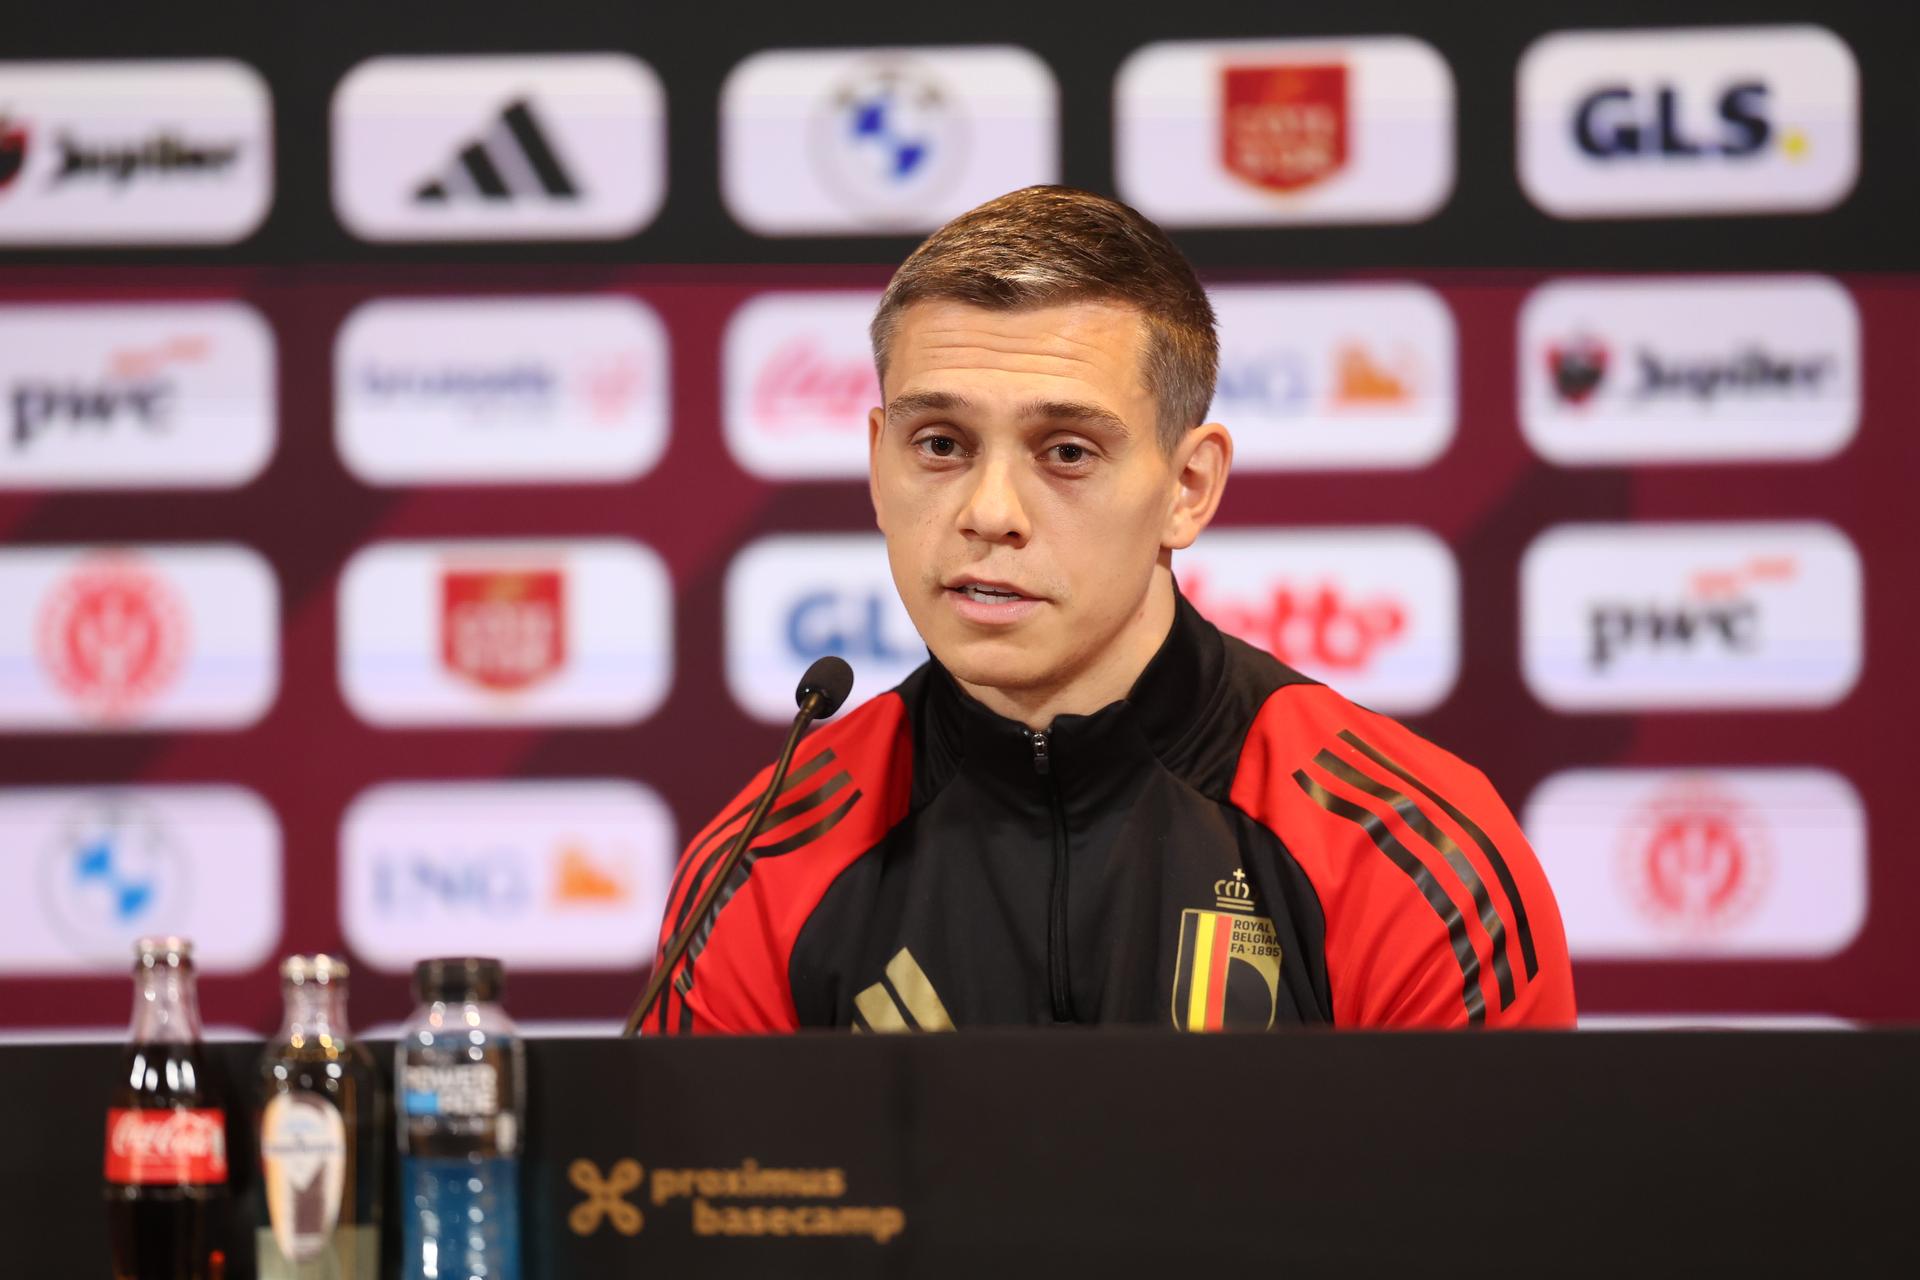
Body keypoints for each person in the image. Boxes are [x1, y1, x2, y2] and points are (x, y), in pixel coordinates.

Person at [647, 185, 1574, 1033]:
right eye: (940, 444)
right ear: (877, 466)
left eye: (1067, 452)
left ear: (1188, 488)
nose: (989, 513)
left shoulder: (1407, 854)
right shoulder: (757, 871)